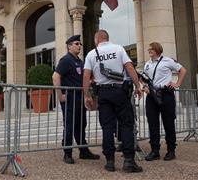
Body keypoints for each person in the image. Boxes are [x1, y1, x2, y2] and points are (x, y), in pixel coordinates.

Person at [83, 30, 143, 173]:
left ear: (96, 40)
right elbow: (129, 67)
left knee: (107, 127)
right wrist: (137, 86)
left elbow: (86, 76)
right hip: (119, 91)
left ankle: (110, 161)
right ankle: (129, 161)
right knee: (126, 125)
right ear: (108, 38)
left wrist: (87, 95)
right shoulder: (118, 48)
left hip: (103, 93)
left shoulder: (92, 54)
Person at [52, 34, 100, 164]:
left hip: (79, 98)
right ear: (69, 46)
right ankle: (67, 153)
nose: (79, 46)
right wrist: (60, 95)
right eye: (76, 44)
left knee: (81, 125)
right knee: (70, 125)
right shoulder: (66, 60)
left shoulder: (80, 61)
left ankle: (83, 151)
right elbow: (55, 76)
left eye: (80, 44)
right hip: (70, 98)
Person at [142, 42, 186, 161]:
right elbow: (144, 79)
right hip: (151, 96)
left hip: (166, 94)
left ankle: (171, 150)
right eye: (149, 49)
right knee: (152, 124)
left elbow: (182, 70)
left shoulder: (168, 61)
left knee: (168, 123)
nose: (149, 50)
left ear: (157, 50)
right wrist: (144, 87)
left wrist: (177, 84)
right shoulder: (147, 64)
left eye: (151, 49)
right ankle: (155, 151)